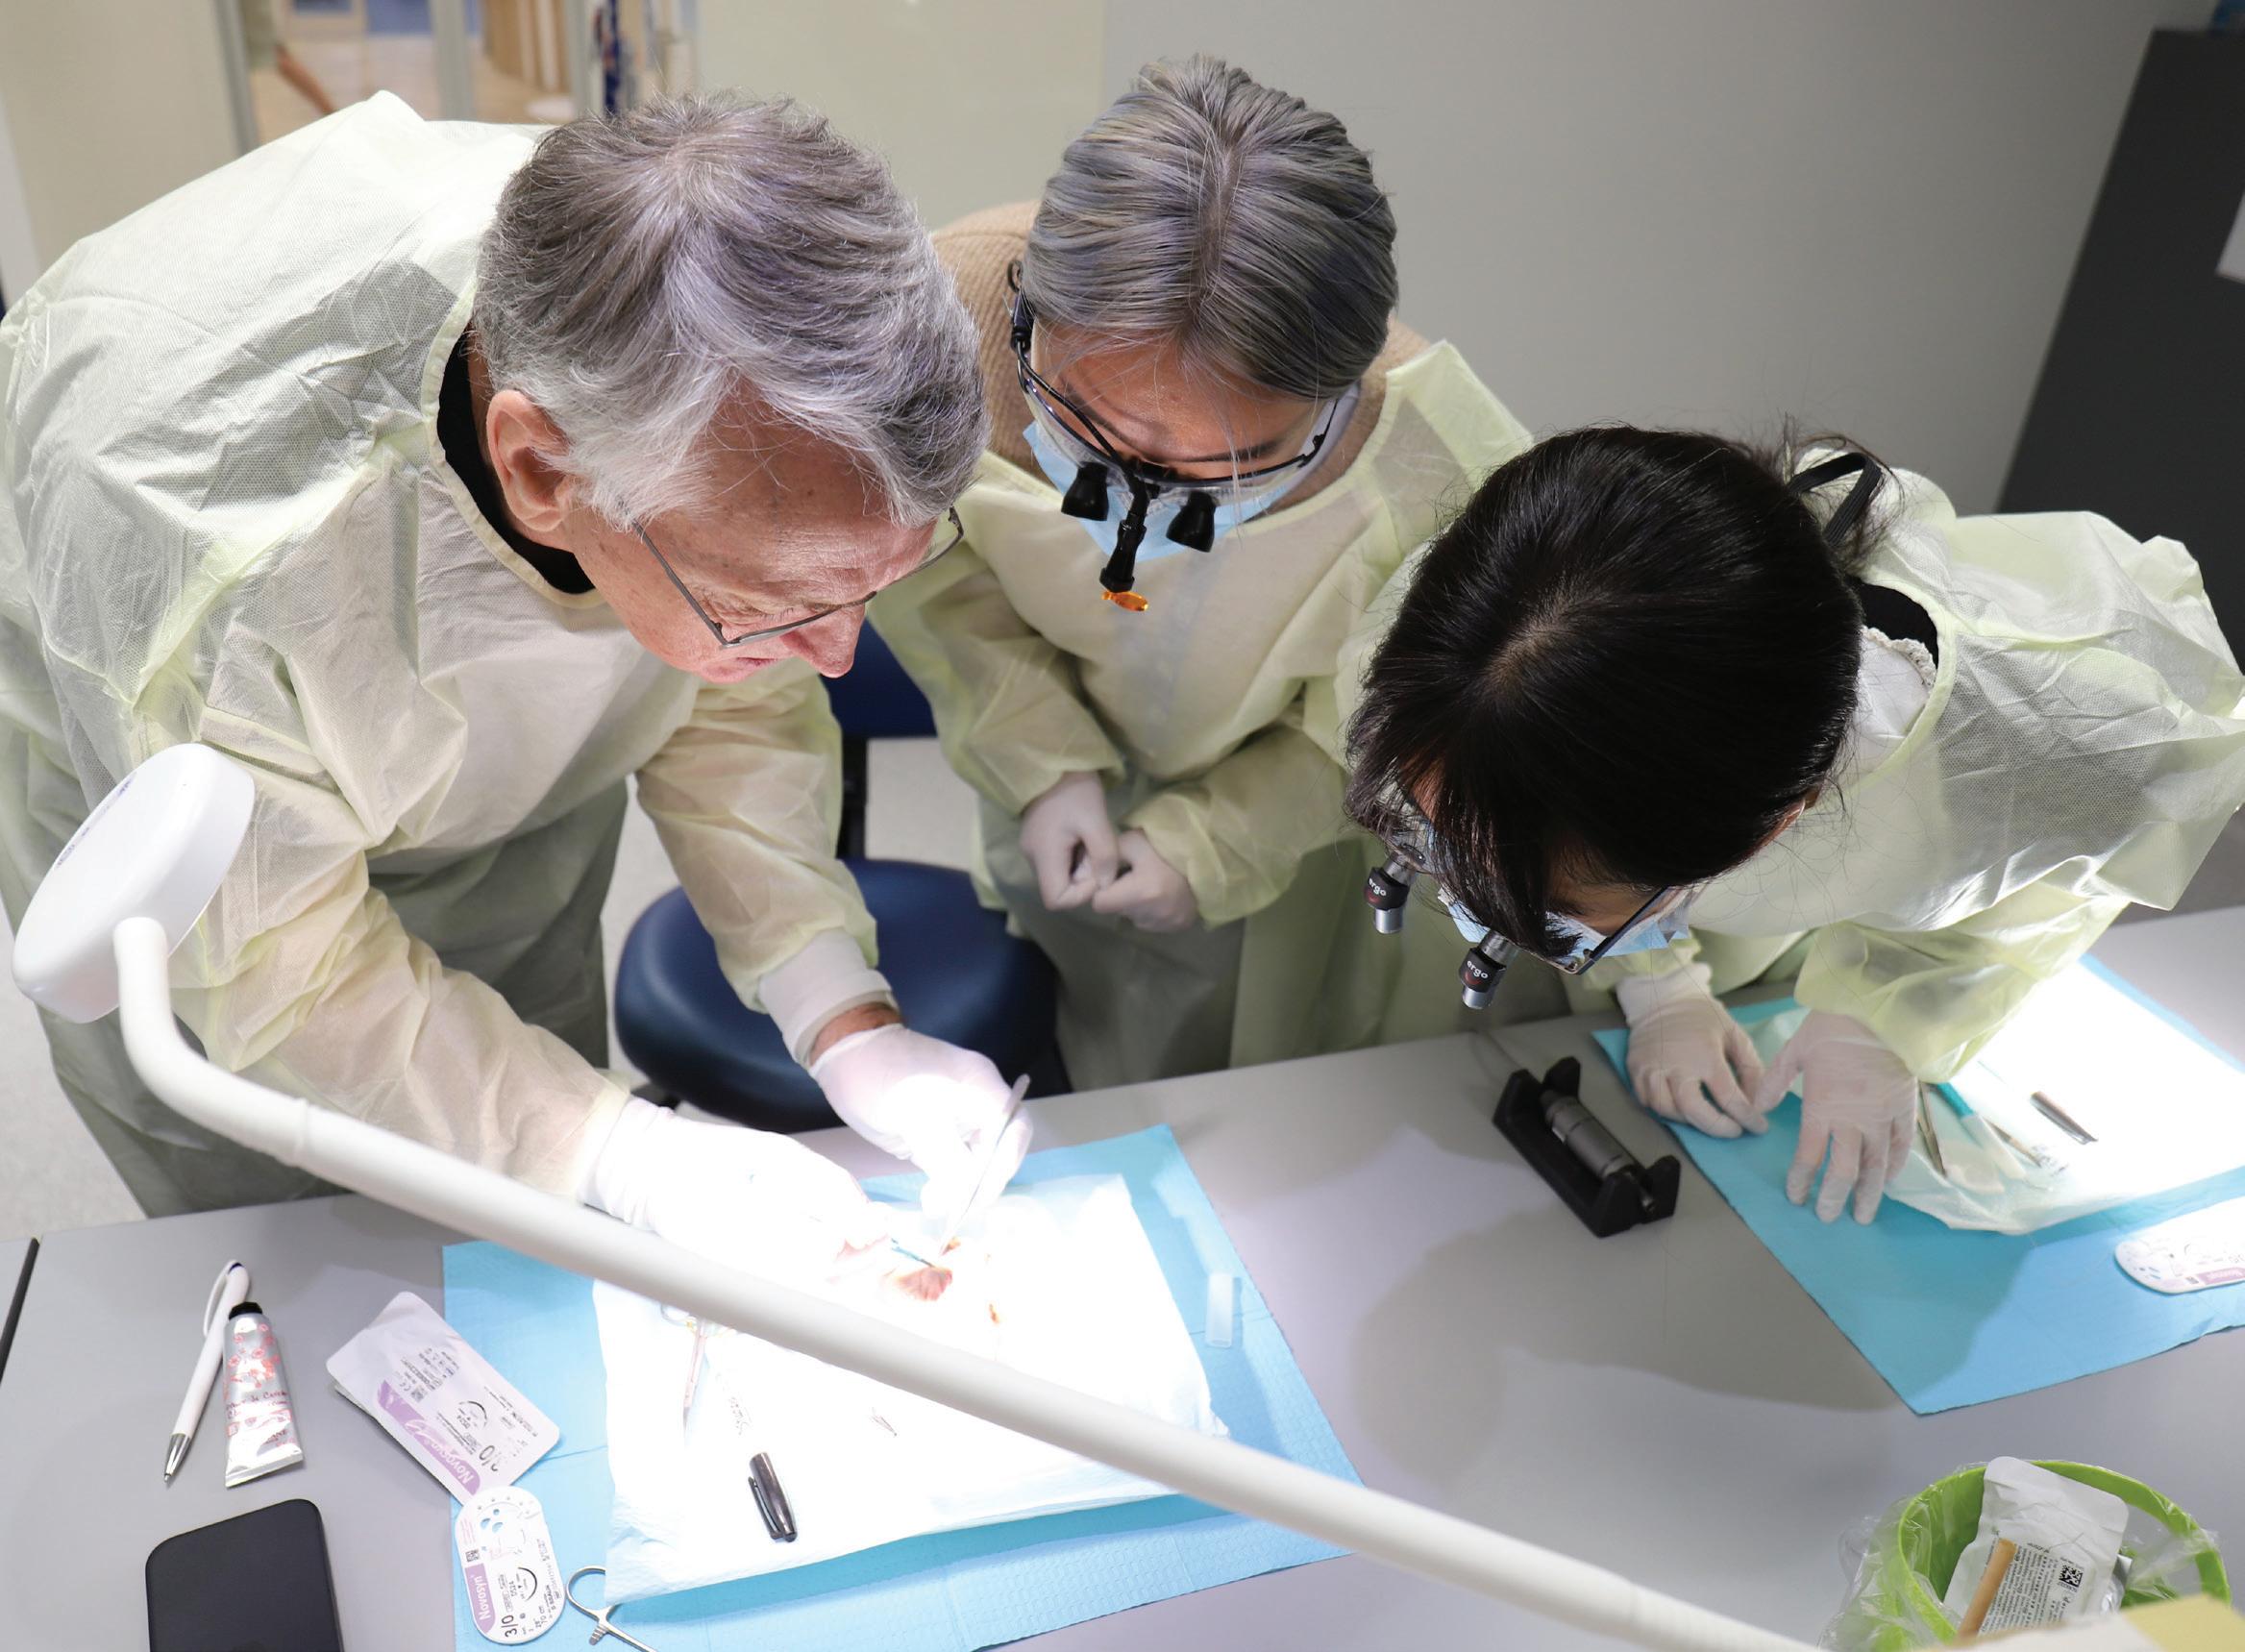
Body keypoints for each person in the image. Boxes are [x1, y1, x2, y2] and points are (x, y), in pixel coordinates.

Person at [0, 93, 1027, 1264]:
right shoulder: (225, 584)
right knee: (319, 1262)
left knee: (528, 1209)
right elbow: (278, 976)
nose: (838, 654)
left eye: (865, 591)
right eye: (773, 603)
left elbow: (731, 687)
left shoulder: (667, 308)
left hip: (500, 800)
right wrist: (616, 1152)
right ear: (539, 471)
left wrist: (838, 1011)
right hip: (204, 871)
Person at [1342, 427, 2245, 1222]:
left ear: (1773, 828)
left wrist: (1884, 1017)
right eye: (1437, 837)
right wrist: (1660, 984)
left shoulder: (2068, 746)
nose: (1465, 894)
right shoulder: (1494, 631)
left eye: (1565, 916)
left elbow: (2051, 869)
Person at [872, 56, 1532, 1088]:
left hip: (1295, 845)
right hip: (1054, 799)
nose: (1134, 505)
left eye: (1216, 471)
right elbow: (934, 580)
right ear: (1028, 320)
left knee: (1252, 1091)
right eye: (1090, 431)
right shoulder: (935, 335)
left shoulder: (1442, 470)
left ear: (1331, 405)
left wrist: (1220, 842)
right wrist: (1039, 760)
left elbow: (1397, 724)